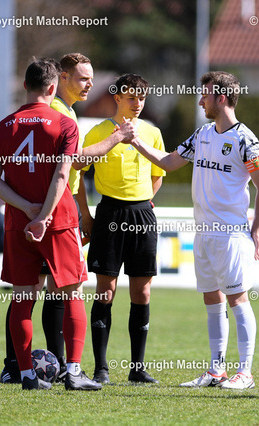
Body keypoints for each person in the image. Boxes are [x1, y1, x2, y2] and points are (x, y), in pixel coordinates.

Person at [0, 53, 137, 384]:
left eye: (91, 78)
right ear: (59, 80)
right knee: (64, 289)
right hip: (54, 213)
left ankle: (25, 367)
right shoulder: (59, 115)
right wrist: (116, 138)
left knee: (33, 291)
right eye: (83, 78)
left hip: (28, 213)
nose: (90, 84)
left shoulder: (17, 121)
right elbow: (72, 163)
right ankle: (64, 367)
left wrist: (79, 211)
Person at [129, 71, 259, 389]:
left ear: (221, 98)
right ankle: (216, 370)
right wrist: (135, 141)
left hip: (231, 234)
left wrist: (257, 230)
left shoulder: (245, 139)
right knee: (212, 299)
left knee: (237, 299)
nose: (200, 101)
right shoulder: (203, 134)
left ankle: (245, 373)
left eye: (205, 95)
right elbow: (168, 163)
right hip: (203, 234)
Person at [0, 58, 101, 391]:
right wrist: (45, 217)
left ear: (25, 85)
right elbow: (63, 175)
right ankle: (74, 373)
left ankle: (25, 375)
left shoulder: (2, 127)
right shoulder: (64, 124)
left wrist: (27, 209)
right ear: (53, 87)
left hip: (18, 223)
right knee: (72, 292)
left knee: (23, 298)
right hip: (58, 221)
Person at [79, 73, 166, 384]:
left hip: (142, 215)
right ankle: (101, 368)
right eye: (131, 97)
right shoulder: (98, 132)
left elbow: (158, 173)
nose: (137, 103)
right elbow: (78, 173)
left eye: (141, 97)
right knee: (106, 291)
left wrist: (143, 202)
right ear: (117, 98)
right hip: (109, 214)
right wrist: (86, 215)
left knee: (142, 292)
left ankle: (137, 368)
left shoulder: (152, 133)